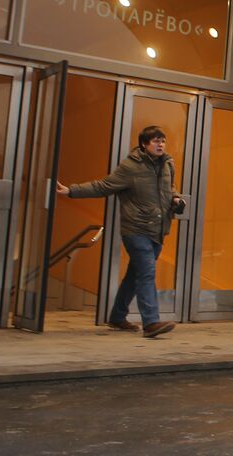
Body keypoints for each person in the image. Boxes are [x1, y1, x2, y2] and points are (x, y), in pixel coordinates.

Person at [56, 125, 184, 338]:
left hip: (159, 229)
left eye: (163, 140)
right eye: (155, 141)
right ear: (144, 144)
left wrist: (176, 198)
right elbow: (103, 186)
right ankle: (151, 322)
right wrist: (71, 191)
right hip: (135, 229)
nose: (160, 144)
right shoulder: (130, 167)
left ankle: (117, 316)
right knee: (147, 272)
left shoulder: (168, 164)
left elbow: (170, 189)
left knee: (134, 275)